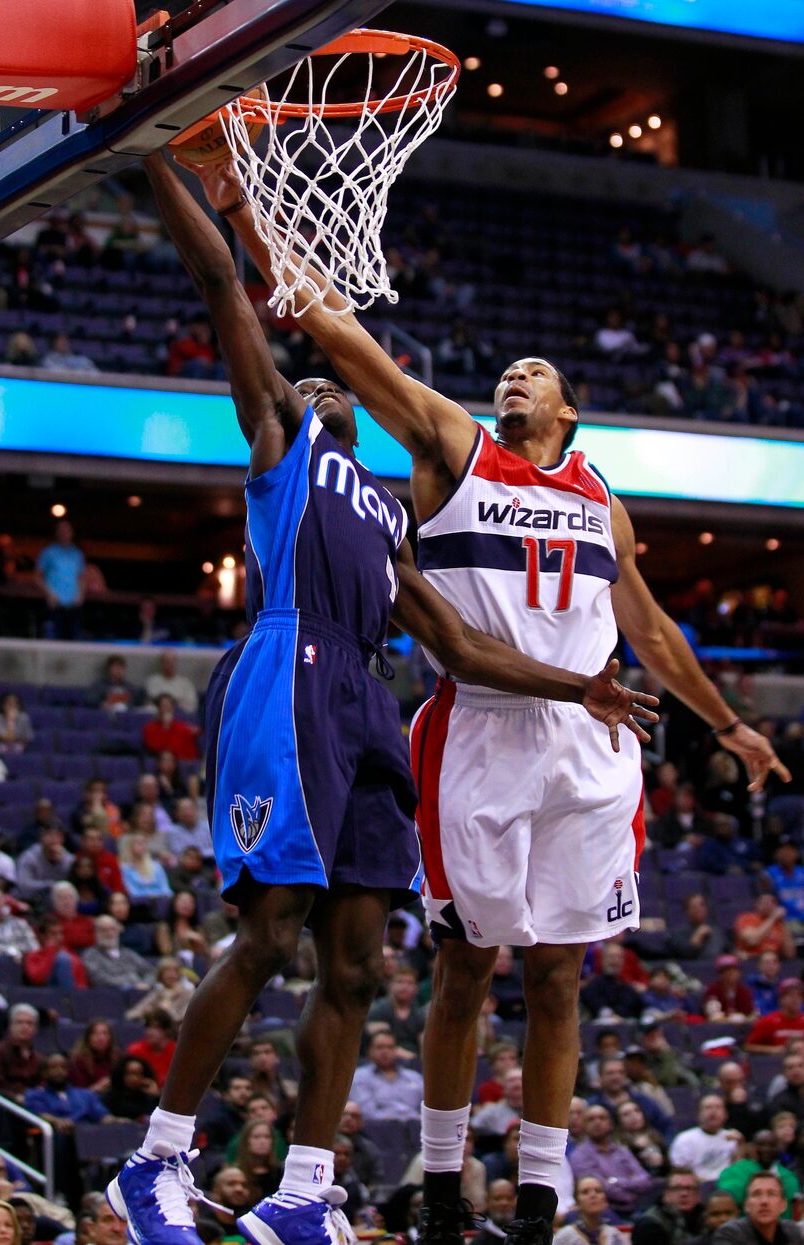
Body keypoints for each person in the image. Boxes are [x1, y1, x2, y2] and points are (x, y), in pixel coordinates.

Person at [195, 147, 788, 1245]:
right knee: (465, 966)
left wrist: (730, 724)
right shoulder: (450, 443)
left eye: (532, 371)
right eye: (505, 372)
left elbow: (647, 630)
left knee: (559, 978)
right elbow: (335, 332)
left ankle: (540, 1191)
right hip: (478, 732)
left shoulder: (599, 496)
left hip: (591, 741)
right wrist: (246, 213)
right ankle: (434, 1181)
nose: (511, 380)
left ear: (569, 407)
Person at [107, 152, 657, 1245]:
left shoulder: (388, 512)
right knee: (266, 938)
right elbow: (227, 289)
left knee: (355, 962)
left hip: (366, 694)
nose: (317, 390)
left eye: (325, 389)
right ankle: (155, 1161)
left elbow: (456, 643)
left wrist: (579, 686)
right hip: (288, 672)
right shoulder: (280, 443)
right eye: (309, 385)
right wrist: (159, 157)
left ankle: (304, 1191)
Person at [568, 1105, 654, 1217]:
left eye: (602, 1118)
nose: (597, 1122)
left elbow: (645, 1180)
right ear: (584, 1125)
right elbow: (603, 1189)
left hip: (638, 1207)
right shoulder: (579, 1156)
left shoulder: (622, 1150)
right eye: (591, 1119)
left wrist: (618, 1182)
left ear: (610, 1124)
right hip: (607, 1210)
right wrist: (632, 1193)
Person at [718, 1130, 800, 1217]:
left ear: (779, 1148)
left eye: (772, 1145)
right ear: (753, 1147)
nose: (766, 1149)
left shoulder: (789, 1177)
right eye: (761, 1145)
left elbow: (792, 1210)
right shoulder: (735, 1171)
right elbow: (729, 1199)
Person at [350, 1032, 424, 1122]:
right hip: (379, 1129)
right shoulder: (360, 1077)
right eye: (379, 1047)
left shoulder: (414, 1077)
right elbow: (367, 1113)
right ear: (370, 1051)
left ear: (396, 1050)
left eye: (390, 1047)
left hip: (416, 1127)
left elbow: (426, 1107)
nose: (385, 1051)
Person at [712, 1172, 802, 1245]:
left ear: (783, 1205)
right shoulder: (729, 1233)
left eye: (771, 1194)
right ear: (746, 1205)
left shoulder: (792, 1231)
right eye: (756, 1194)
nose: (764, 1201)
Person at [668, 1095, 740, 1182]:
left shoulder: (733, 1138)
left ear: (725, 1114)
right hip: (697, 1186)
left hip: (727, 1185)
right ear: (699, 1114)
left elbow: (740, 1168)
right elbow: (680, 1171)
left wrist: (741, 1144)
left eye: (718, 1107)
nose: (713, 1112)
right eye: (708, 1108)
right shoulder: (685, 1139)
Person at [36, 520, 85, 640]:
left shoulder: (77, 554)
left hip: (73, 606)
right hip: (54, 605)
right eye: (61, 530)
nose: (64, 533)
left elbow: (82, 578)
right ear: (56, 533)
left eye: (67, 530)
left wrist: (81, 595)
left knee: (73, 641)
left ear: (72, 533)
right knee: (53, 639)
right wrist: (48, 593)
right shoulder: (48, 552)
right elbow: (37, 577)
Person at [554, 1177, 624, 1245]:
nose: (593, 1195)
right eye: (585, 1192)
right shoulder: (564, 1237)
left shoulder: (615, 1235)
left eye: (598, 1191)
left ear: (605, 1199)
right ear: (577, 1202)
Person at [746, 981, 804, 1055]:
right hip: (776, 1062)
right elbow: (748, 1046)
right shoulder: (769, 1021)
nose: (795, 999)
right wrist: (774, 1049)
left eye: (799, 995)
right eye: (790, 995)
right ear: (781, 999)